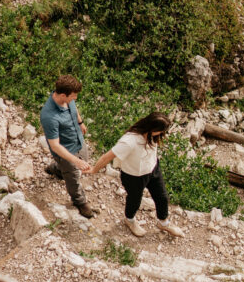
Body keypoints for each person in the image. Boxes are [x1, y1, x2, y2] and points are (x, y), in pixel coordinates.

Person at [90, 111, 184, 238]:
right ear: (152, 128)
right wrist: (94, 170)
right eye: (161, 131)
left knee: (162, 197)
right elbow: (107, 157)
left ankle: (163, 222)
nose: (162, 134)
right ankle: (129, 220)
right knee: (135, 200)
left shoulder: (152, 135)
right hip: (133, 176)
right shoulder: (129, 141)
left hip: (153, 169)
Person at [40, 75, 97, 219]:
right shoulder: (49, 116)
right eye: (73, 96)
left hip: (78, 140)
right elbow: (55, 145)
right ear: (63, 95)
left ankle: (57, 169)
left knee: (79, 163)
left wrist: (80, 122)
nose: (75, 99)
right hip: (65, 151)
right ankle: (79, 202)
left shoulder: (66, 98)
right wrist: (75, 161)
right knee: (73, 177)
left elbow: (73, 107)